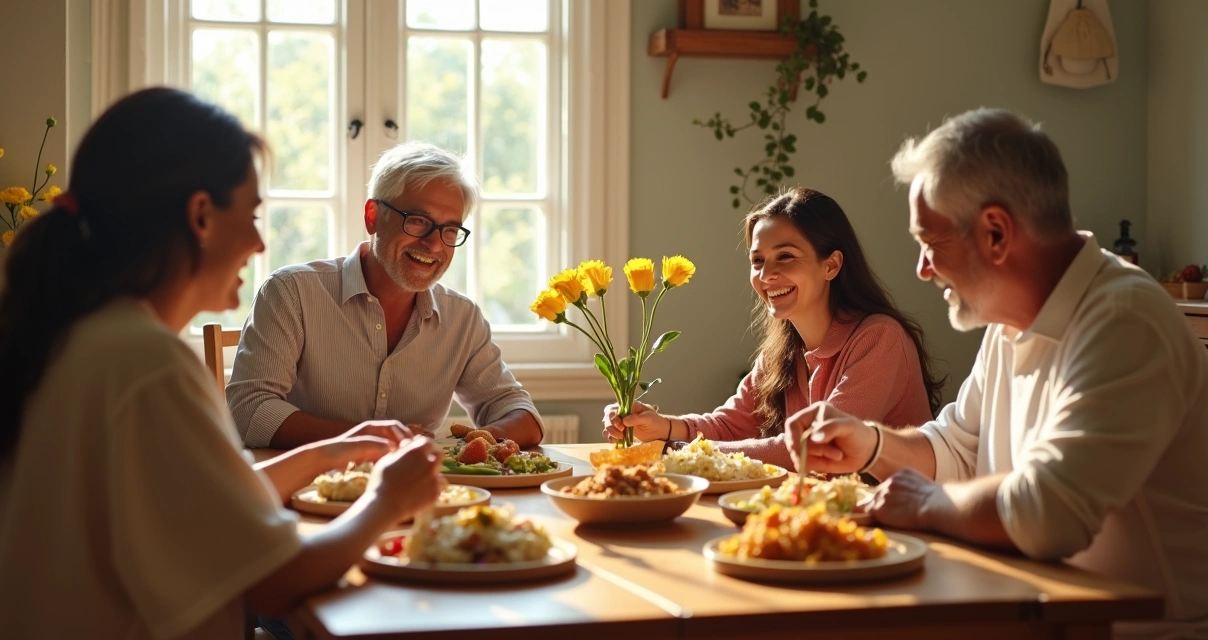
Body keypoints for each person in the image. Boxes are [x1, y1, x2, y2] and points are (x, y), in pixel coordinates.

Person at [0, 87, 445, 639]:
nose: (260, 242)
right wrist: (385, 501)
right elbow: (277, 581)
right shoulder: (148, 364)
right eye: (253, 214)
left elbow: (207, 506)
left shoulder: (79, 337)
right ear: (202, 216)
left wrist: (333, 452)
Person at [786, 108, 1208, 637]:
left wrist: (930, 503)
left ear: (995, 232)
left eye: (930, 243)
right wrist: (873, 444)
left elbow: (1048, 512)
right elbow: (961, 451)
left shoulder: (1124, 322)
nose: (922, 268)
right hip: (1028, 613)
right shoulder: (1010, 320)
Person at [227, 142, 543, 450]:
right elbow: (249, 412)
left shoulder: (462, 318)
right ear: (372, 216)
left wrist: (471, 447)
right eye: (418, 221)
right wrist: (369, 439)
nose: (434, 245)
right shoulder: (292, 292)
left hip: (419, 496)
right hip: (301, 494)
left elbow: (522, 416)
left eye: (449, 230)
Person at [603, 187, 942, 467]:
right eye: (757, 261)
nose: (766, 276)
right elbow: (730, 424)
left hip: (895, 527)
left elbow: (815, 448)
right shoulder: (781, 350)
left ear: (832, 265)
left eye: (786, 257)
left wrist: (677, 449)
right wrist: (663, 428)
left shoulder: (880, 339)